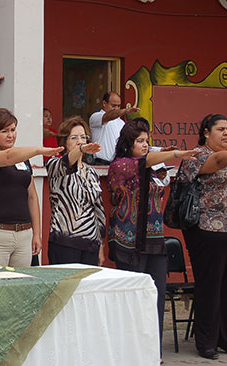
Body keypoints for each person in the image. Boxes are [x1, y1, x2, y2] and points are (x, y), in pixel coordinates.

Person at [107, 119, 197, 359]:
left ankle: (153, 353)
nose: (145, 145)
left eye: (147, 141)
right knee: (133, 298)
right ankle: (129, 353)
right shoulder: (120, 165)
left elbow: (153, 168)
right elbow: (141, 163)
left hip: (155, 239)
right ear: (128, 144)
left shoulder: (154, 169)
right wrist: (177, 153)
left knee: (155, 296)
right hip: (129, 240)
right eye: (139, 141)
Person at [0, 108, 63, 267]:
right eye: (4, 131)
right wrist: (38, 150)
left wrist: (36, 233)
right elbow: (7, 157)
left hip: (23, 234)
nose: (10, 135)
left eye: (13, 130)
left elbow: (32, 196)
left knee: (21, 284)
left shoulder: (23, 160)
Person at [178, 113, 227, 360]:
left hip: (226, 229)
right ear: (206, 133)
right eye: (221, 129)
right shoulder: (197, 156)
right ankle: (206, 341)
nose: (226, 133)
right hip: (206, 229)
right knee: (210, 285)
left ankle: (222, 338)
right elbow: (218, 162)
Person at [46, 116, 105, 265]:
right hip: (65, 243)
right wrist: (80, 150)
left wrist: (100, 244)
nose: (80, 141)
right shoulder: (55, 164)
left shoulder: (92, 172)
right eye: (74, 138)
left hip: (91, 244)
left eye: (83, 137)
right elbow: (66, 163)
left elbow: (98, 209)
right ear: (64, 142)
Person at [89, 92, 140, 165]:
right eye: (113, 105)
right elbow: (108, 116)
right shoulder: (96, 117)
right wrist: (125, 111)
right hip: (101, 163)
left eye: (118, 106)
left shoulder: (121, 123)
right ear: (104, 103)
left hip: (118, 163)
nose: (116, 108)